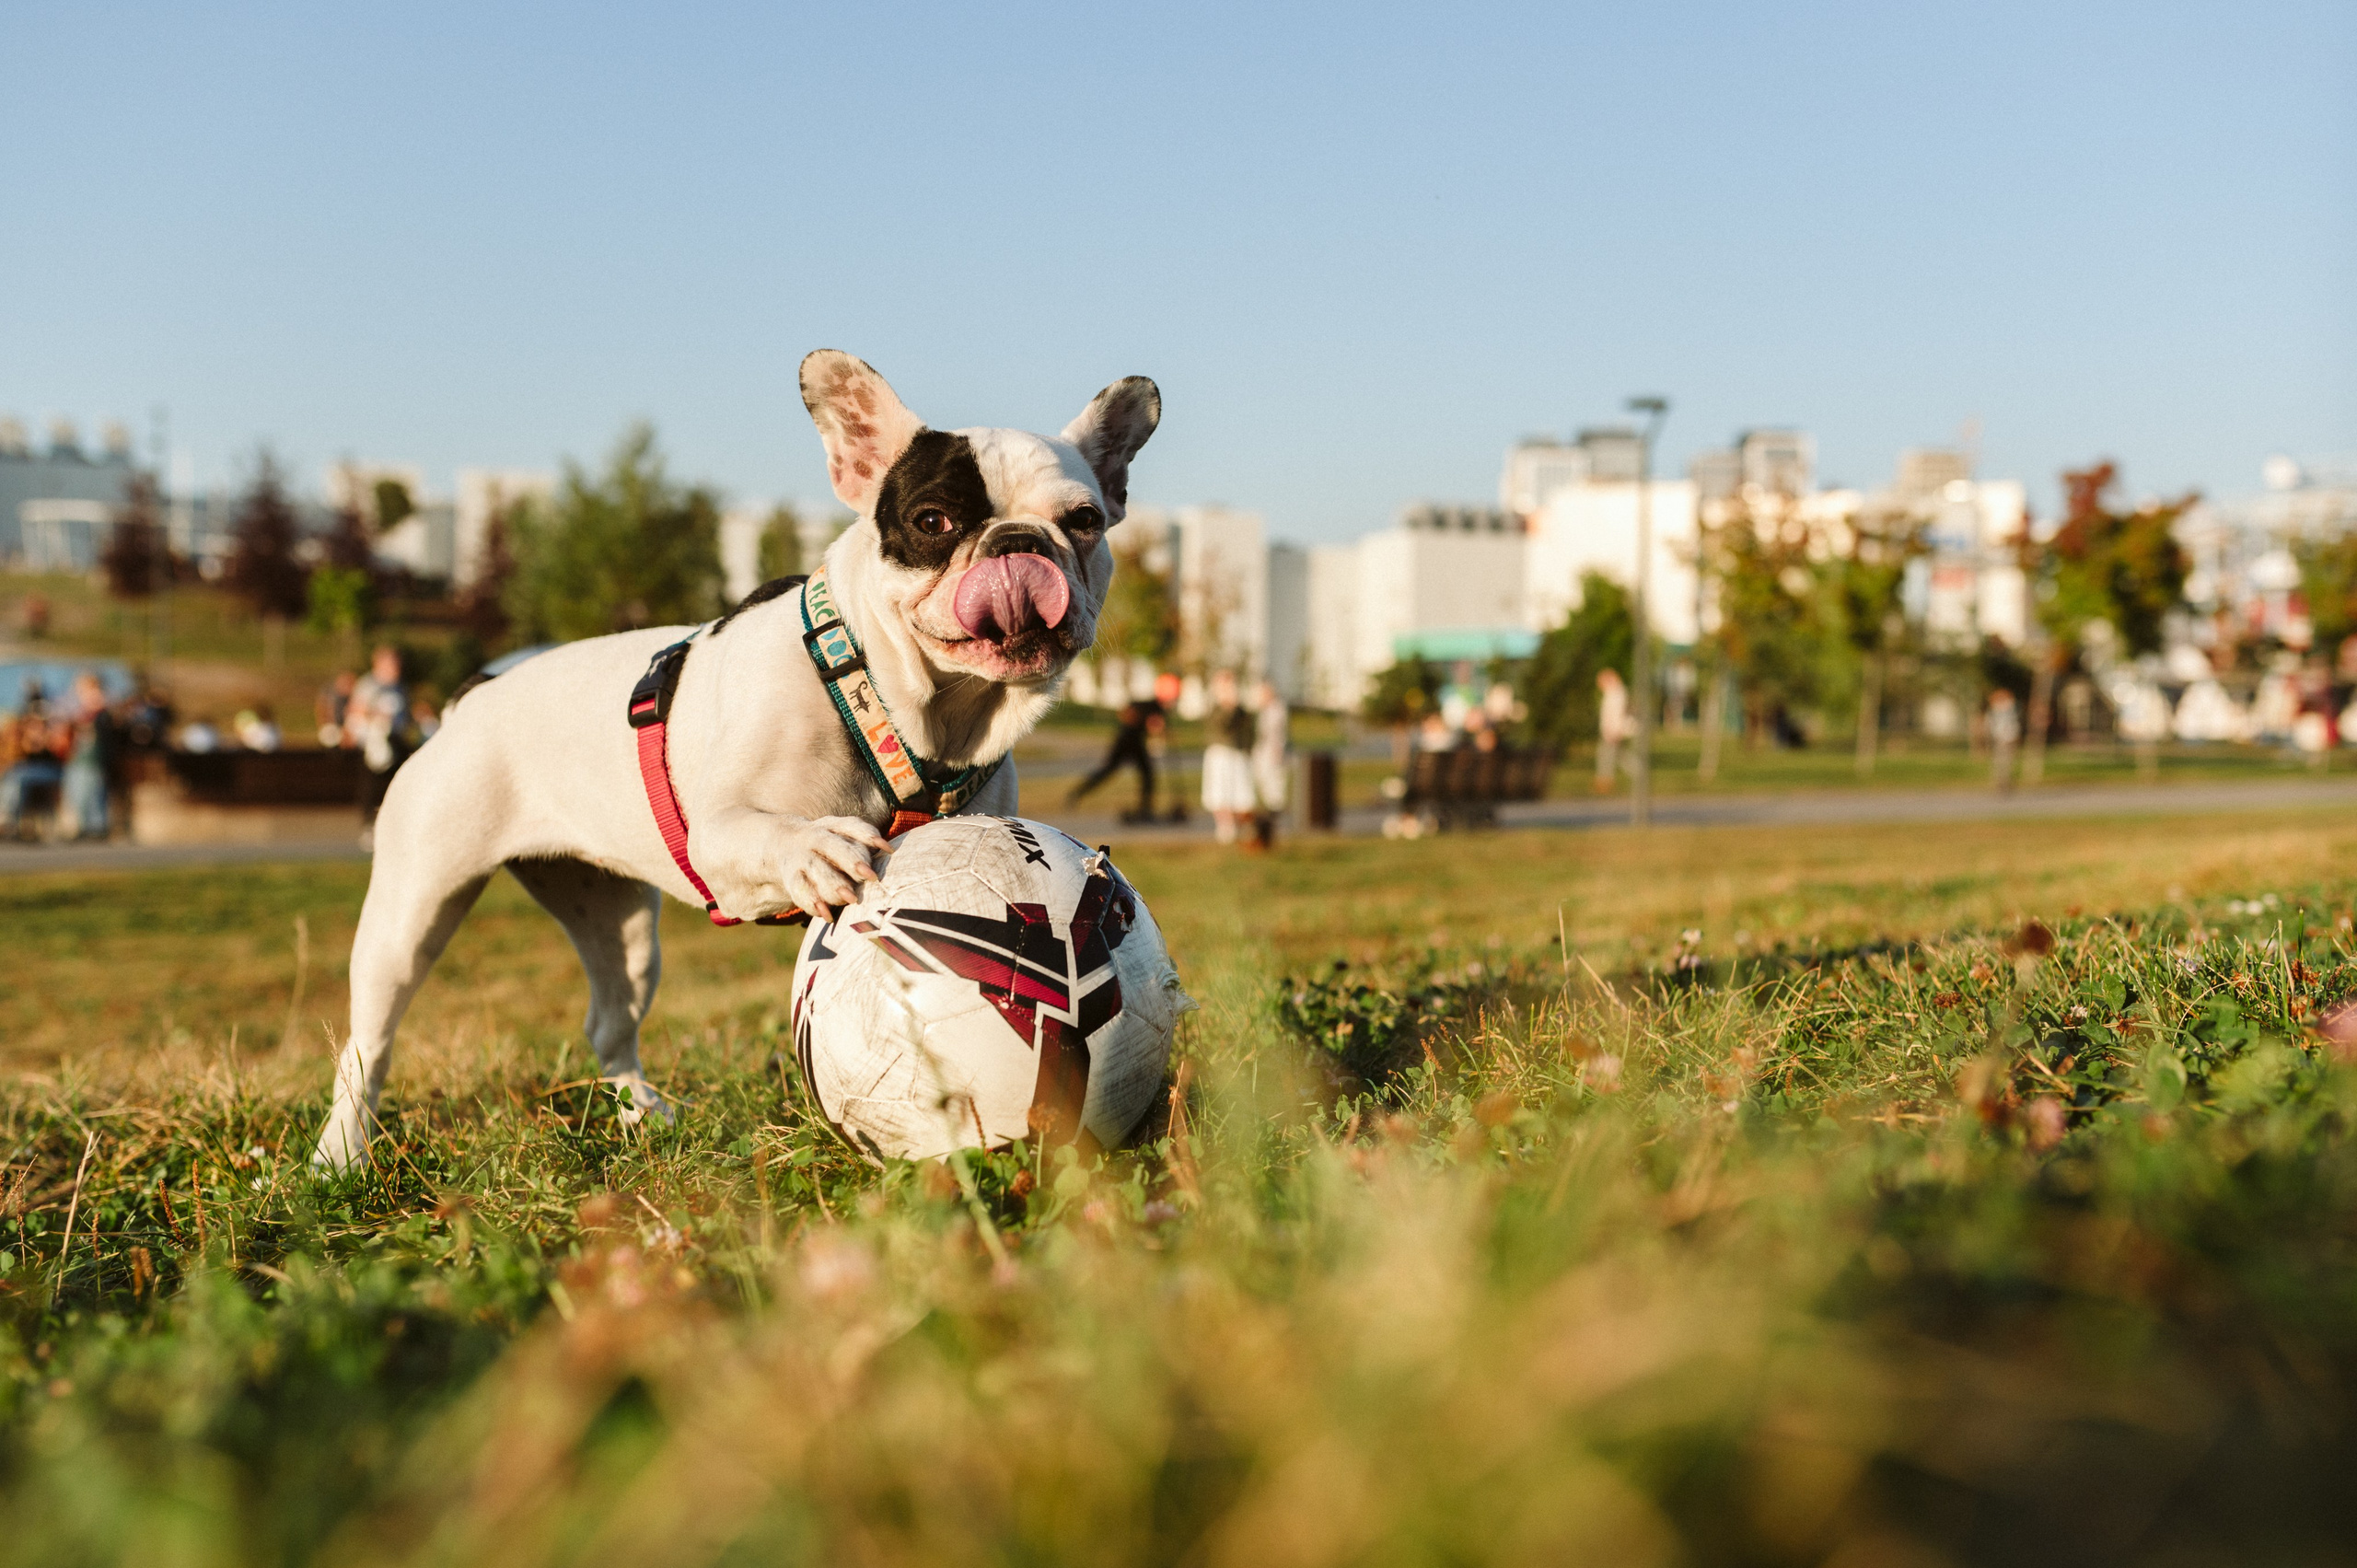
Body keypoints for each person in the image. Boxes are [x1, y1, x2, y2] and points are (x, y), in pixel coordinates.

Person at [1068, 671, 1167, 822]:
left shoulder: (1157, 707)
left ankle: (1145, 808)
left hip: (1137, 743)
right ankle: (1077, 793)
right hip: (1125, 741)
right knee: (1108, 771)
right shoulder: (1151, 705)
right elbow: (1130, 714)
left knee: (1147, 774)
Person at [348, 645, 419, 845]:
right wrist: (379, 717)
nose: (397, 668)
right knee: (371, 785)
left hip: (396, 740)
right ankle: (369, 826)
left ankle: (399, 823)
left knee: (400, 781)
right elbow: (356, 710)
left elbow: (406, 715)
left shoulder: (400, 687)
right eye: (392, 664)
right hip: (374, 742)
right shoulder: (369, 685)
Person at [1199, 669, 1258, 845]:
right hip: (1220, 754)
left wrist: (1249, 749)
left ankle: (1244, 827)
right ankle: (1225, 827)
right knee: (1219, 792)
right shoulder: (1216, 709)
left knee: (1241, 793)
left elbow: (1249, 732)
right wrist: (1229, 706)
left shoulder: (1242, 710)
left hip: (1238, 754)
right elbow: (1222, 726)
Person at [61, 672, 119, 840]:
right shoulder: (85, 710)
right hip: (80, 758)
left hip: (94, 758)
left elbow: (101, 733)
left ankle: (97, 827)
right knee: (78, 792)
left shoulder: (102, 709)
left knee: (92, 791)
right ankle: (85, 826)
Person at [2, 698, 66, 840]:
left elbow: (60, 757)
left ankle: (6, 816)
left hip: (50, 773)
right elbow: (12, 759)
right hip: (27, 776)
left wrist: (45, 742)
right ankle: (11, 822)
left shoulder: (53, 734)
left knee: (17, 776)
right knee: (16, 777)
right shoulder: (20, 735)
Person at [1249, 678, 1289, 850]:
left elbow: (1277, 733)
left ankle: (1270, 823)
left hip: (1272, 754)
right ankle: (1265, 823)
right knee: (1264, 788)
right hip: (1262, 753)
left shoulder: (1277, 710)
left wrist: (1276, 751)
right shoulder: (1263, 711)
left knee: (1274, 789)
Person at [1595, 668, 1631, 793]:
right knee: (1618, 756)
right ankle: (1605, 780)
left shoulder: (1617, 694)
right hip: (1609, 730)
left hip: (1612, 731)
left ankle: (1606, 780)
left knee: (1610, 755)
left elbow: (1616, 715)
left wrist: (1614, 731)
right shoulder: (1612, 693)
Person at [1988, 688, 2021, 792]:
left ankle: (2005, 782)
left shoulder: (2011, 711)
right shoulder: (1996, 711)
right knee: (2000, 762)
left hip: (2008, 739)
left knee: (2007, 762)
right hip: (2000, 739)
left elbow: (2014, 726)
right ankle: (2001, 782)